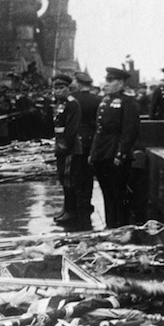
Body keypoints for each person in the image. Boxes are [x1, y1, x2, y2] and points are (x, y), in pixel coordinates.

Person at [89, 67, 140, 228]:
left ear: (121, 83)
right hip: (102, 153)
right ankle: (110, 225)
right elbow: (99, 130)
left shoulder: (128, 101)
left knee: (119, 192)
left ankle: (122, 227)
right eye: (107, 80)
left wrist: (121, 153)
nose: (107, 84)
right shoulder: (104, 101)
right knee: (107, 191)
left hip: (115, 153)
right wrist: (93, 152)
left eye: (111, 81)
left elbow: (129, 130)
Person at [50, 75, 83, 228]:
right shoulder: (59, 104)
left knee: (69, 179)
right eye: (55, 88)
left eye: (61, 88)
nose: (58, 91)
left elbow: (72, 127)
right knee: (63, 178)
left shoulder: (72, 104)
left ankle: (72, 211)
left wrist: (64, 145)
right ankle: (66, 208)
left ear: (68, 88)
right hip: (60, 145)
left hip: (69, 147)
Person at [71, 72, 102, 229]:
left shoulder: (71, 99)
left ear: (77, 82)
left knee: (76, 175)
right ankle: (87, 204)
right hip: (91, 141)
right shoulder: (97, 99)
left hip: (75, 141)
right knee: (88, 175)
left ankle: (78, 206)